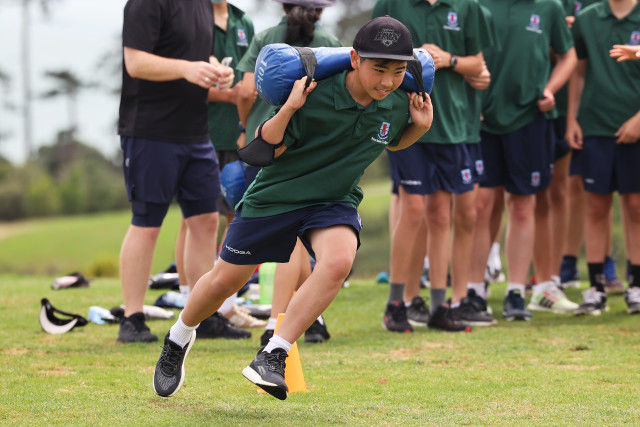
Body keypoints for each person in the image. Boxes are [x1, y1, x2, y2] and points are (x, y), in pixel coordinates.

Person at [152, 16, 433, 400]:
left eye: (398, 71)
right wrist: (289, 108)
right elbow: (266, 147)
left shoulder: (398, 102)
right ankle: (178, 336)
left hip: (333, 200)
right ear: (355, 59)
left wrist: (419, 127)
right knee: (224, 282)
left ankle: (273, 354)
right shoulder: (314, 92)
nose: (387, 81)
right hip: (276, 196)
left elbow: (391, 140)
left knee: (338, 261)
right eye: (379, 69)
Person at [373, 0, 494, 333]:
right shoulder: (391, 4)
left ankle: (440, 307)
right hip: (406, 123)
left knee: (441, 214)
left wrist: (448, 60)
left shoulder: (467, 7)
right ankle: (396, 304)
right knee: (413, 210)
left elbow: (478, 64)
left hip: (452, 126)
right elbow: (369, 58)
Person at [116, 0, 234, 343]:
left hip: (195, 132)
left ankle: (201, 315)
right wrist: (187, 69)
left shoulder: (202, 5)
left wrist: (216, 69)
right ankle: (132, 319)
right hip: (150, 131)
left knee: (206, 220)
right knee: (147, 223)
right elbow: (135, 62)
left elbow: (194, 55)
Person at [235, 0, 342, 345]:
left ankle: (276, 323)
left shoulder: (265, 38)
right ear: (321, 10)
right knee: (298, 238)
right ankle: (314, 318)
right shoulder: (332, 43)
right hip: (316, 150)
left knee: (288, 240)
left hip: (271, 143)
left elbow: (246, 91)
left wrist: (245, 126)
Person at [472, 0, 577, 321]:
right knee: (482, 205)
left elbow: (568, 56)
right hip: (483, 119)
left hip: (529, 119)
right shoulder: (477, 5)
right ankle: (474, 291)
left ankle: (516, 292)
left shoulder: (549, 7)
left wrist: (550, 89)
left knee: (522, 205)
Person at [566, 0, 640, 315]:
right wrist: (572, 119)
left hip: (635, 124)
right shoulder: (587, 18)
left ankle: (636, 286)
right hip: (595, 125)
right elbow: (579, 72)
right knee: (596, 206)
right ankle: (596, 288)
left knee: (635, 206)